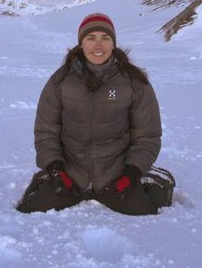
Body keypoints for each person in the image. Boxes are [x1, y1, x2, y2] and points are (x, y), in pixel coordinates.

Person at [16, 13, 162, 215]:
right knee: (29, 211)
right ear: (81, 43)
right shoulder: (60, 81)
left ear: (113, 44)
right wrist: (56, 170)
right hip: (70, 174)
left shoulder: (134, 83)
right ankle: (47, 179)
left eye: (105, 38)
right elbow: (45, 132)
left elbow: (147, 136)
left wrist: (131, 173)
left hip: (117, 175)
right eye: (91, 38)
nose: (98, 45)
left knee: (147, 212)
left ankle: (147, 179)